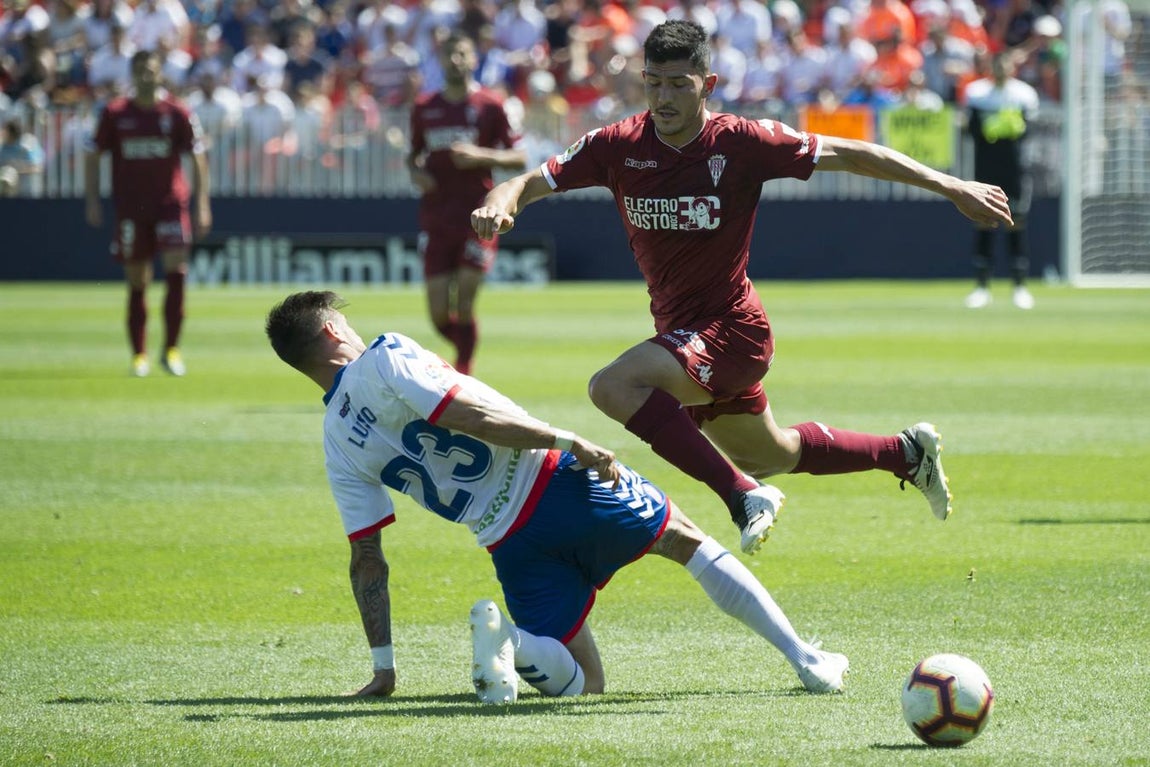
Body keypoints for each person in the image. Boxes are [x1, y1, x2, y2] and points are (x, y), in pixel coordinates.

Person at [471, 20, 1014, 555]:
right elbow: (524, 181)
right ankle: (904, 453)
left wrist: (950, 185)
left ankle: (742, 498)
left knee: (613, 387)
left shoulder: (741, 141)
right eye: (653, 82)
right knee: (769, 453)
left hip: (732, 329)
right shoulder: (616, 146)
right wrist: (501, 202)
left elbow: (848, 153)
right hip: (682, 333)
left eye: (678, 84)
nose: (663, 97)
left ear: (707, 85)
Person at [264, 290, 850, 702]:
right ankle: (807, 661)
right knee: (686, 542)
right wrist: (570, 440)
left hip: (506, 544)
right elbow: (470, 416)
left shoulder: (336, 440)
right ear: (333, 331)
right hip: (553, 483)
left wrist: (384, 668)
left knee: (586, 683)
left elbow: (367, 559)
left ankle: (515, 643)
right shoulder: (385, 355)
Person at [85, 48, 211, 377]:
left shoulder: (176, 112)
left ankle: (171, 349)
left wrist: (201, 203)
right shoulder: (115, 113)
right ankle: (139, 354)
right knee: (138, 280)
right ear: (133, 73)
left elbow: (197, 157)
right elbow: (93, 154)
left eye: (150, 69)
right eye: (139, 70)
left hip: (170, 204)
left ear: (159, 73)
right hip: (131, 207)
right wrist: (93, 200)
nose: (145, 75)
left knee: (176, 271)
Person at [407, 31, 526, 375]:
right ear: (440, 60)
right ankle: (461, 356)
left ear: (474, 60)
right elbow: (413, 156)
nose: (456, 61)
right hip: (436, 217)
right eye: (450, 55)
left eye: (462, 54)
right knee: (439, 314)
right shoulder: (424, 108)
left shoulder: (491, 105)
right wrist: (416, 174)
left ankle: (463, 372)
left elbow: (518, 157)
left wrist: (478, 155)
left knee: (466, 298)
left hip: (479, 215)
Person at [962, 52, 1040, 310]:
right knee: (984, 224)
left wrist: (1012, 126)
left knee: (1016, 223)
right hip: (986, 169)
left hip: (1015, 171)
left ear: (1011, 68)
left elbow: (1028, 130)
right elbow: (970, 130)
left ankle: (1020, 287)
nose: (1000, 70)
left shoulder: (1024, 95)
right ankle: (982, 288)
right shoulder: (977, 94)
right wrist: (990, 127)